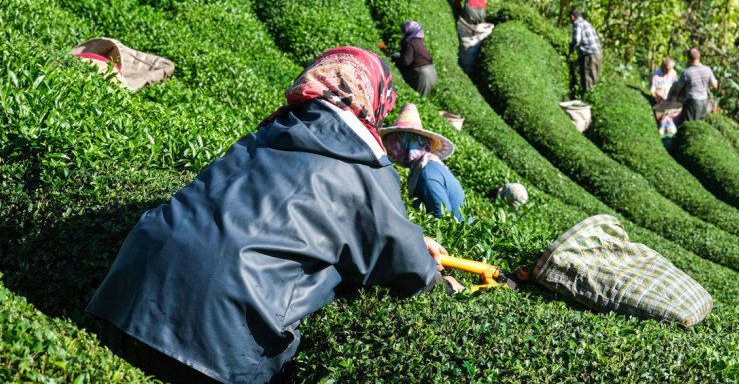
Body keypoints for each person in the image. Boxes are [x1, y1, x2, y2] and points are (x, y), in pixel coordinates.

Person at [86, 47, 450, 384]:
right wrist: (436, 276)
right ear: (373, 99)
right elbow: (408, 267)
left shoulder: (273, 129)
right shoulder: (367, 166)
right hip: (219, 337)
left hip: (127, 290)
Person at [381, 103, 467, 222]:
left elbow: (443, 221)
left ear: (407, 144)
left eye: (394, 144)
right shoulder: (423, 167)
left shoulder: (427, 175)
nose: (390, 152)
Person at [454, 0, 496, 74]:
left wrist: (459, 11)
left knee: (465, 32)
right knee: (475, 34)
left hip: (470, 14)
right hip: (481, 17)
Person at [394, 20, 437, 96]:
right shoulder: (419, 41)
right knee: (421, 98)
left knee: (417, 97)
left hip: (422, 75)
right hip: (432, 73)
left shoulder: (410, 42)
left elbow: (406, 61)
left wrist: (394, 60)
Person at [676, 47, 718, 122]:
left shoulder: (686, 72)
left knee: (689, 124)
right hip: (704, 101)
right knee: (699, 124)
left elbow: (679, 88)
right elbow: (715, 85)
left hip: (692, 101)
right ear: (699, 57)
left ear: (688, 59)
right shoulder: (707, 69)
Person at [569, 10, 603, 95]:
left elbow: (577, 40)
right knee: (594, 78)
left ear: (573, 17)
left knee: (588, 80)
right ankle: (592, 99)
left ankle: (587, 102)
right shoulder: (587, 23)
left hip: (590, 55)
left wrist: (571, 49)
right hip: (597, 54)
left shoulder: (577, 23)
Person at [650, 58, 680, 136]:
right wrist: (658, 98)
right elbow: (653, 91)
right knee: (662, 123)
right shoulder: (655, 75)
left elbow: (676, 87)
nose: (669, 71)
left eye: (671, 69)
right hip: (659, 102)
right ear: (662, 66)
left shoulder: (673, 73)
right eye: (667, 69)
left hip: (671, 102)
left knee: (672, 124)